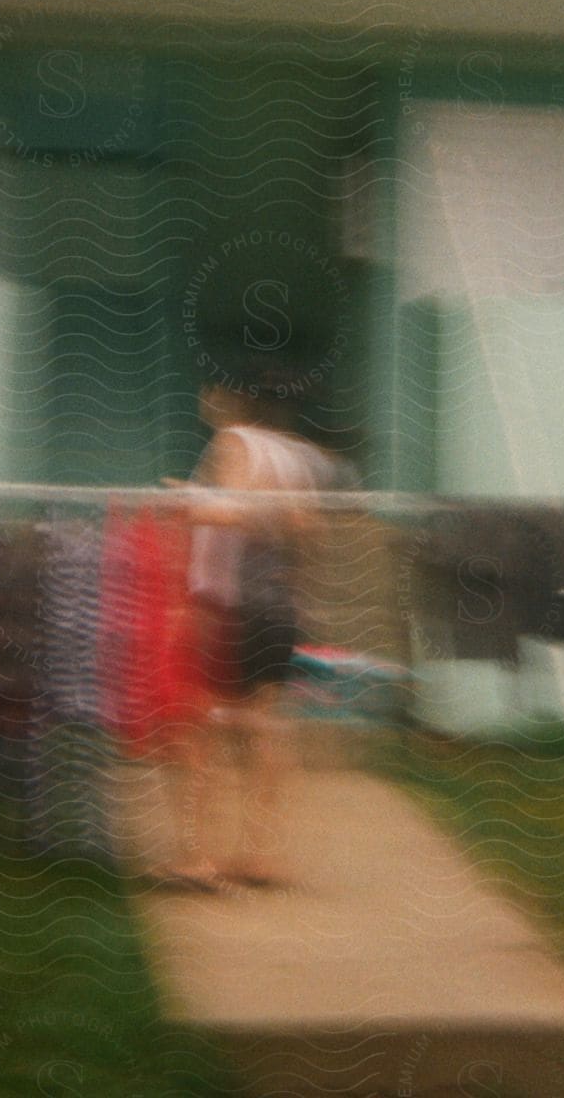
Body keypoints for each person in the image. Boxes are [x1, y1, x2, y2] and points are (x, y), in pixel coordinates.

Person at [155, 365, 351, 891]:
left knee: (200, 729)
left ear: (227, 396)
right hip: (280, 601)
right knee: (264, 724)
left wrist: (184, 502)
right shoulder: (297, 457)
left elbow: (237, 512)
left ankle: (197, 860)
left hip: (233, 603)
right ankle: (259, 857)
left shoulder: (234, 441)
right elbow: (306, 527)